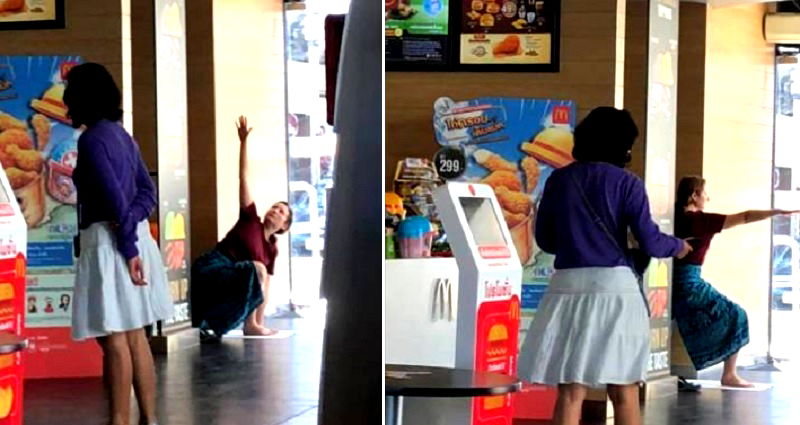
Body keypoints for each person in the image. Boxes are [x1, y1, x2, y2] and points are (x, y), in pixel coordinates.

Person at [518, 107, 692, 425]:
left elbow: (546, 240)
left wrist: (577, 239)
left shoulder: (559, 180)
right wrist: (679, 246)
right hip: (616, 291)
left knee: (570, 392)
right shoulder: (628, 183)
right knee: (623, 390)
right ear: (624, 146)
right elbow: (651, 241)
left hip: (567, 289)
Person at [65, 62, 172, 425]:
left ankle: (119, 420)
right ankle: (150, 418)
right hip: (134, 238)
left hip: (109, 245)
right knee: (134, 334)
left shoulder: (92, 139)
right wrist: (133, 225)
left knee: (113, 337)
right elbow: (147, 192)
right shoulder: (122, 135)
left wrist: (127, 245)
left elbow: (112, 199)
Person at [673, 176, 797, 389]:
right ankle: (729, 375)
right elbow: (746, 217)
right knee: (737, 315)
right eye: (704, 193)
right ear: (694, 195)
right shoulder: (701, 221)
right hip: (688, 283)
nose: (707, 198)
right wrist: (776, 212)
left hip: (669, 281)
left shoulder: (672, 217)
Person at [191, 116, 292, 340]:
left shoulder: (272, 249)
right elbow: (243, 178)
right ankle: (249, 325)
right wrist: (243, 143)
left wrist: (262, 321)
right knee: (258, 269)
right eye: (275, 207)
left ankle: (254, 324)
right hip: (214, 267)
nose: (275, 210)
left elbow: (265, 287)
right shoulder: (250, 219)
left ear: (283, 227)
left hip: (236, 276)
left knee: (262, 274)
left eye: (281, 212)